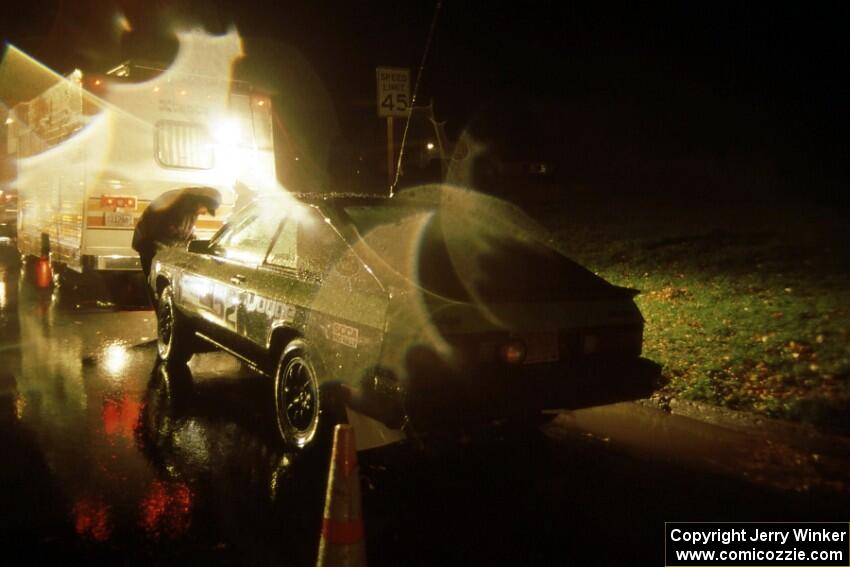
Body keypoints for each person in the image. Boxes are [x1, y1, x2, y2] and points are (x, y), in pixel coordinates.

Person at [132, 186, 220, 289]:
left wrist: (194, 240)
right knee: (157, 284)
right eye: (206, 208)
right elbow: (163, 231)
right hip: (150, 246)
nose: (205, 213)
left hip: (162, 248)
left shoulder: (191, 209)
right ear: (200, 202)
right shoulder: (175, 206)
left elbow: (186, 232)